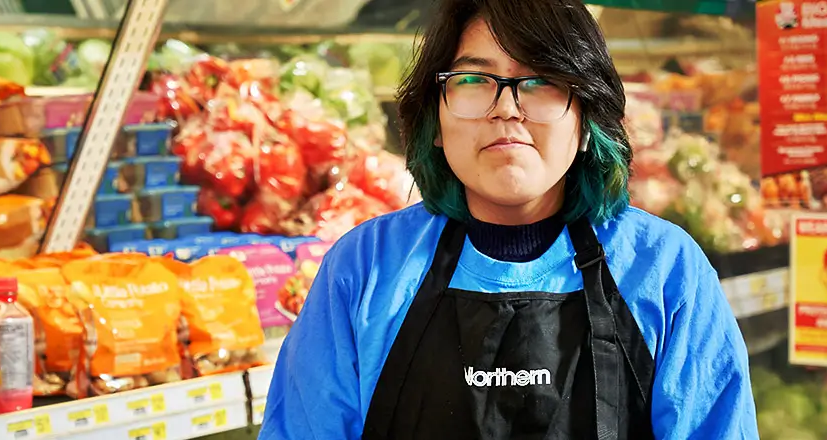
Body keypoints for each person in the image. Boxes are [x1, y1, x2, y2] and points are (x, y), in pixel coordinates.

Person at [258, 0, 759, 438]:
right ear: (436, 120)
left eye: (541, 81)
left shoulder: (665, 270)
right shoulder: (364, 268)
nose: (507, 108)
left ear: (587, 122)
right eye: (474, 80)